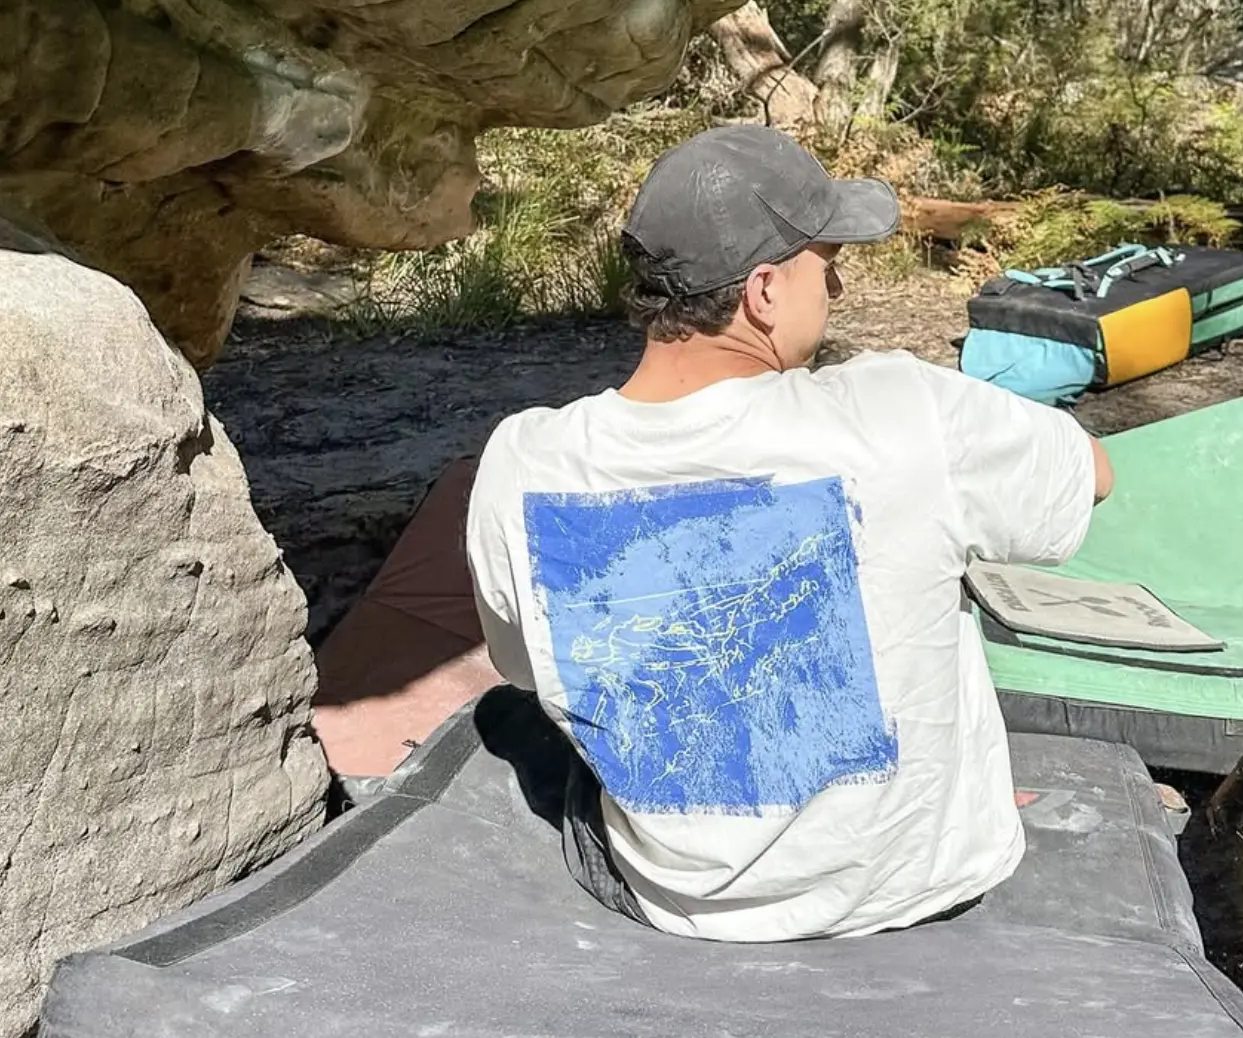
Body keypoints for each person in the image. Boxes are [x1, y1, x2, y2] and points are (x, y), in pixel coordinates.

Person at [466, 124, 1113, 941]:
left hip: (674, 898)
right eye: (828, 266)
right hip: (909, 888)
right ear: (763, 291)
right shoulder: (902, 411)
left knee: (515, 715)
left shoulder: (525, 459)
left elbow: (524, 665)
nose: (836, 290)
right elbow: (1091, 473)